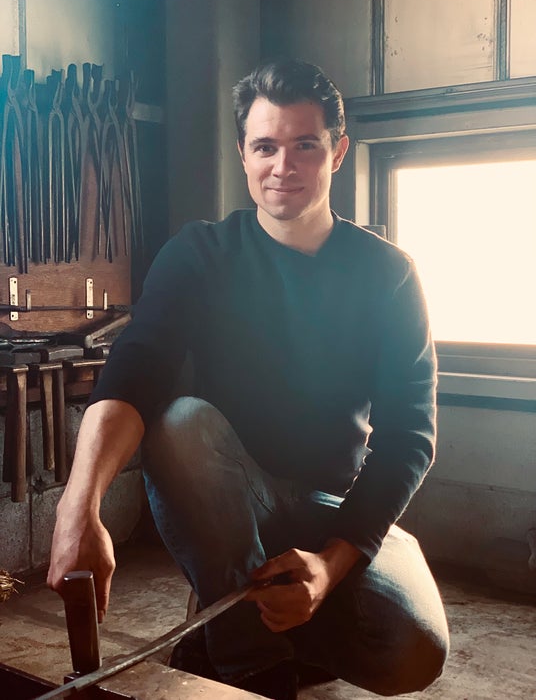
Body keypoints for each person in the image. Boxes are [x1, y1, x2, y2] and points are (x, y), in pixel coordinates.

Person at [47, 59, 449, 700]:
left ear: (338, 151)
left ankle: (238, 621)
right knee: (180, 421)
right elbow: (133, 374)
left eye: (304, 145)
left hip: (332, 505)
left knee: (415, 652)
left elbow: (410, 437)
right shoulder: (200, 253)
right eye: (265, 146)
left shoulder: (388, 274)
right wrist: (78, 508)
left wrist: (329, 567)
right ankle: (253, 662)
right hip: (228, 499)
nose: (282, 166)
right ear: (242, 153)